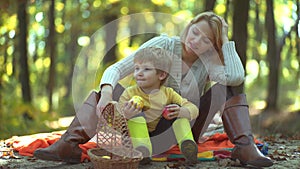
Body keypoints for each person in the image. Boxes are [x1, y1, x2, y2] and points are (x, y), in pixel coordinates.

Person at [34, 11, 273, 167]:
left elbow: (236, 76)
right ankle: (68, 145)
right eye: (195, 32)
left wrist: (226, 43)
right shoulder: (164, 44)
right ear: (188, 27)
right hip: (140, 122)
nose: (196, 40)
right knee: (103, 91)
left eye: (206, 40)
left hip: (182, 126)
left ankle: (245, 148)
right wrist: (107, 91)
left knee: (230, 87)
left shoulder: (208, 62)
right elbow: (117, 69)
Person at [118, 47, 199, 165]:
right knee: (136, 113)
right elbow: (116, 118)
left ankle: (188, 146)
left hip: (161, 139)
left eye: (146, 69)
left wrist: (181, 111)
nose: (139, 73)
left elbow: (193, 109)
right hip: (135, 141)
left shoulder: (168, 93)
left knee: (176, 109)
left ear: (161, 75)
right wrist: (125, 115)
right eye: (136, 69)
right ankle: (142, 152)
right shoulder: (130, 93)